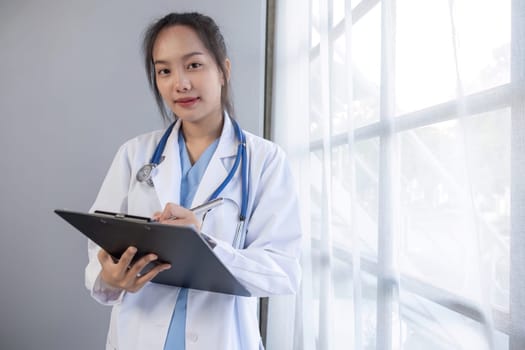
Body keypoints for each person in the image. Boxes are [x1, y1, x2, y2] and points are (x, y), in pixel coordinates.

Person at [85, 12, 302, 350]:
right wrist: (110, 276)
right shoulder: (134, 154)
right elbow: (99, 250)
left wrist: (206, 245)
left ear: (223, 70)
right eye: (164, 71)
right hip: (138, 336)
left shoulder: (265, 161)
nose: (180, 83)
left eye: (194, 65)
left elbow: (283, 272)